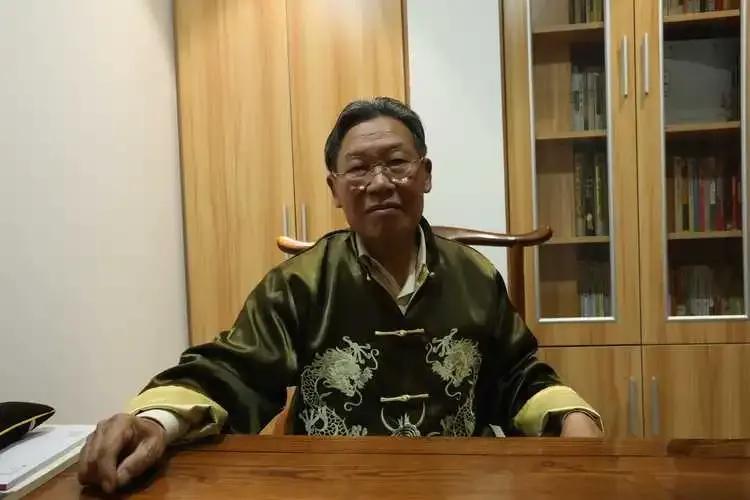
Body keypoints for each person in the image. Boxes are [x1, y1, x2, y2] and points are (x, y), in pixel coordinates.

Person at [78, 97, 602, 493]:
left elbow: (516, 374)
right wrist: (155, 422)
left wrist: (572, 418)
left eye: (397, 162)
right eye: (359, 168)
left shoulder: (475, 276)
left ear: (425, 175)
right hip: (329, 484)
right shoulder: (301, 283)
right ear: (335, 189)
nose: (381, 182)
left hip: (456, 482)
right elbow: (234, 370)